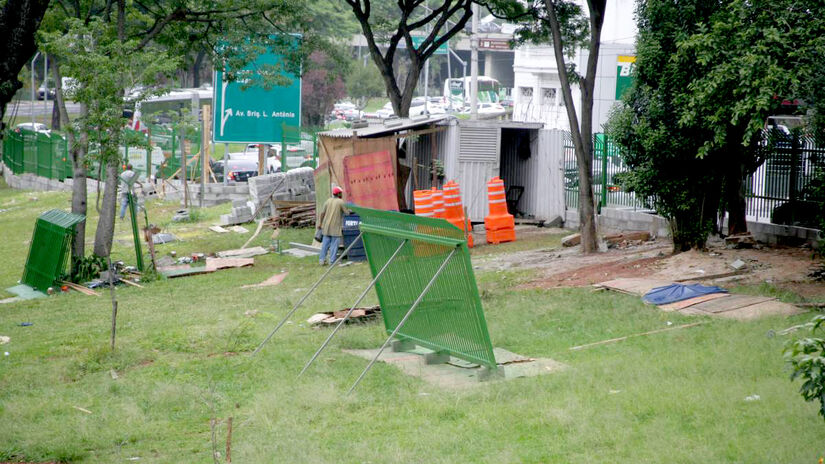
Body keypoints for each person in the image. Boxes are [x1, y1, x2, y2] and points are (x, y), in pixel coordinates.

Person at [317, 186, 347, 266]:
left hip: (326, 227)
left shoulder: (327, 201)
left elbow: (322, 213)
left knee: (325, 245)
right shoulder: (340, 202)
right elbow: (347, 212)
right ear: (339, 194)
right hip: (335, 228)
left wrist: (320, 223)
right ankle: (332, 261)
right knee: (334, 245)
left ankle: (322, 260)